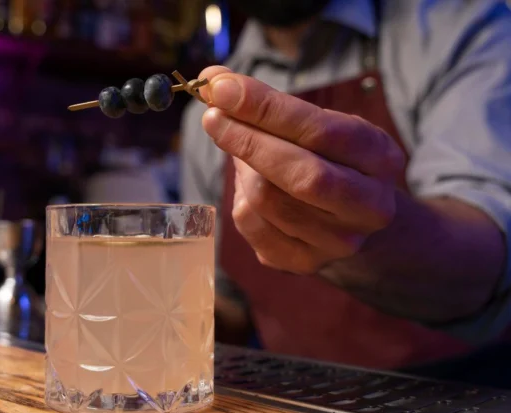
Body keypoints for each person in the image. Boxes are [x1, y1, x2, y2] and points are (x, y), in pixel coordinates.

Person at [180, 0, 511, 385]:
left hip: (462, 389)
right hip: (289, 397)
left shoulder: (462, 28)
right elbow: (229, 305)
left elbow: (492, 258)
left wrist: (371, 235)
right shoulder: (200, 118)